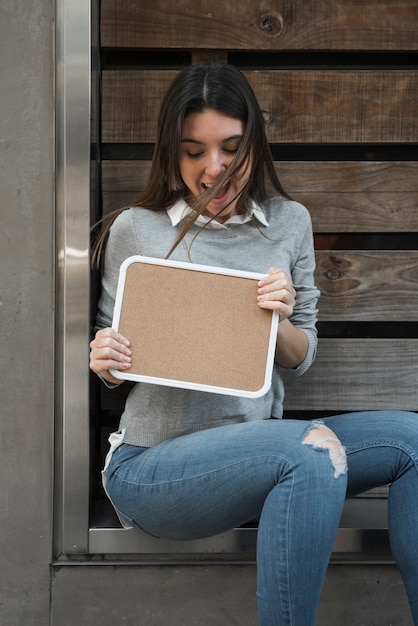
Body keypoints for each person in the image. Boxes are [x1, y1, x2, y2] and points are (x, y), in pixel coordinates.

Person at [90, 62, 418, 625]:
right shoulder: (136, 230)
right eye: (194, 150)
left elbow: (302, 355)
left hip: (263, 449)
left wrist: (281, 317)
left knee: (412, 440)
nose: (213, 168)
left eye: (231, 149)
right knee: (311, 449)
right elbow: (113, 358)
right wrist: (105, 358)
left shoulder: (288, 224)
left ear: (254, 147)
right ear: (173, 151)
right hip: (154, 469)